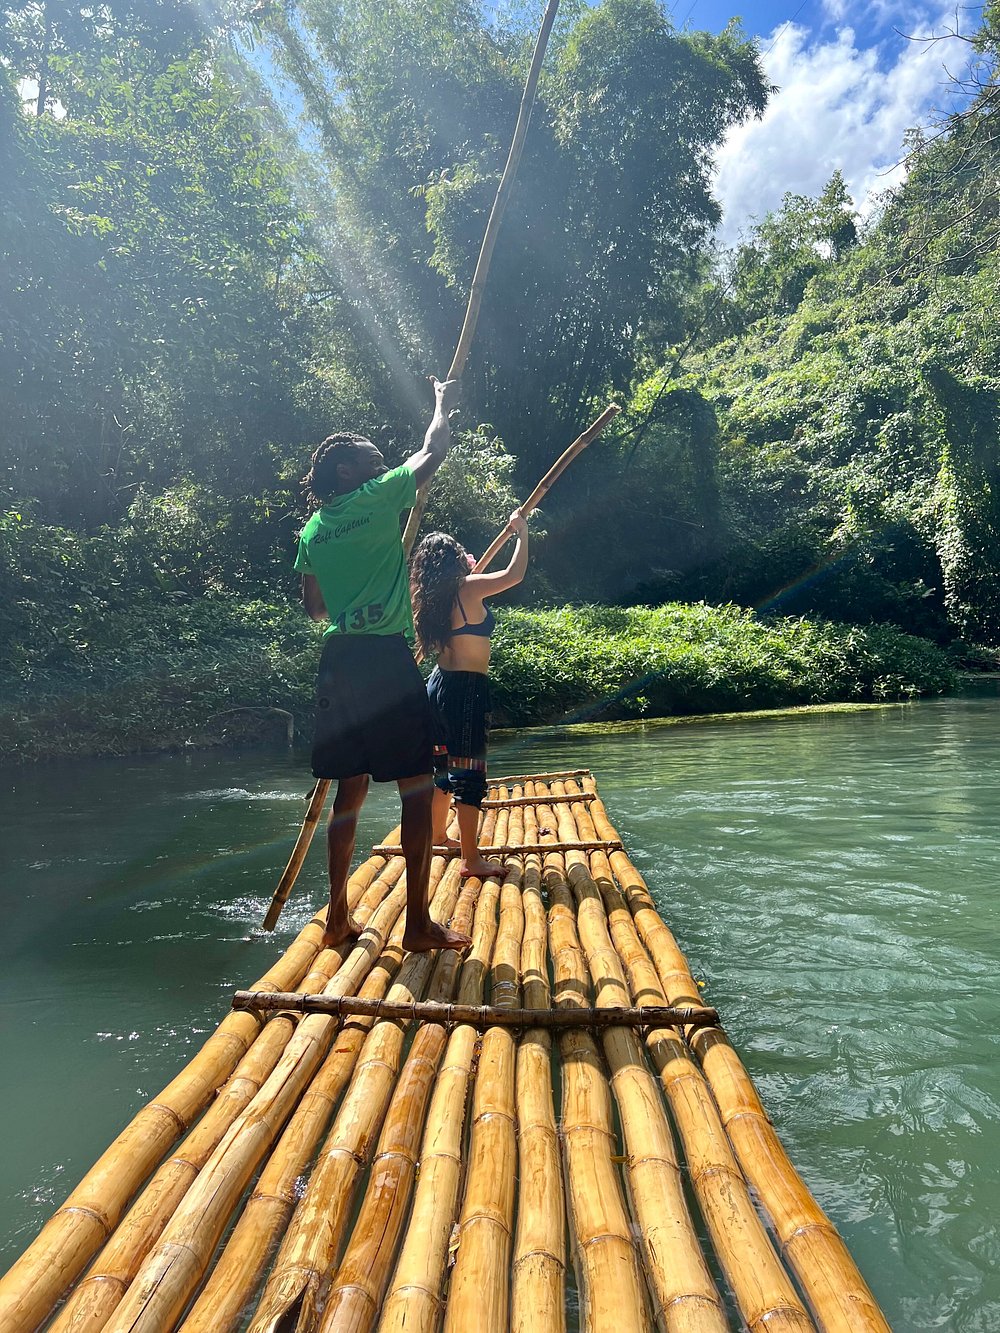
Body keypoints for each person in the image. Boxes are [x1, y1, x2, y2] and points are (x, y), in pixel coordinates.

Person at [295, 377, 472, 955]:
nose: (379, 453)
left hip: (339, 659)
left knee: (349, 789)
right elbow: (433, 451)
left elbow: (316, 607)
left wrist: (359, 583)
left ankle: (339, 918)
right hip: (384, 657)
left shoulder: (314, 530)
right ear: (347, 472)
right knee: (418, 787)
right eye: (368, 451)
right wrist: (443, 403)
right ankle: (418, 925)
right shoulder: (375, 497)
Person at [410, 509, 529, 877]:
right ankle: (471, 859)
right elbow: (514, 575)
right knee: (468, 772)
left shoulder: (432, 597)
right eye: (461, 551)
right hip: (466, 691)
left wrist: (469, 571)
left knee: (443, 767)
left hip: (438, 686)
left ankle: (438, 835)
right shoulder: (467, 589)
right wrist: (522, 533)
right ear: (453, 561)